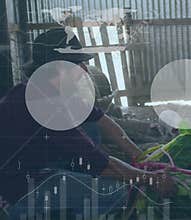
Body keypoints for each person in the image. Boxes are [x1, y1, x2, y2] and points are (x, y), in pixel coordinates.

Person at [0, 28, 175, 218]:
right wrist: (150, 179)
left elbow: (103, 121)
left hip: (35, 167)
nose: (84, 69)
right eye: (78, 64)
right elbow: (101, 164)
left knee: (91, 128)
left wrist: (140, 157)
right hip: (16, 192)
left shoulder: (46, 88)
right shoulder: (45, 104)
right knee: (114, 192)